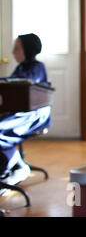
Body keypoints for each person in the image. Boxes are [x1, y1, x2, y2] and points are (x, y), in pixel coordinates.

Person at [0, 33, 51, 187]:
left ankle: (16, 165)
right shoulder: (21, 67)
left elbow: (23, 84)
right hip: (17, 112)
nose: (13, 52)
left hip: (33, 115)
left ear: (27, 50)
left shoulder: (37, 67)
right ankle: (12, 165)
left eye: (17, 48)